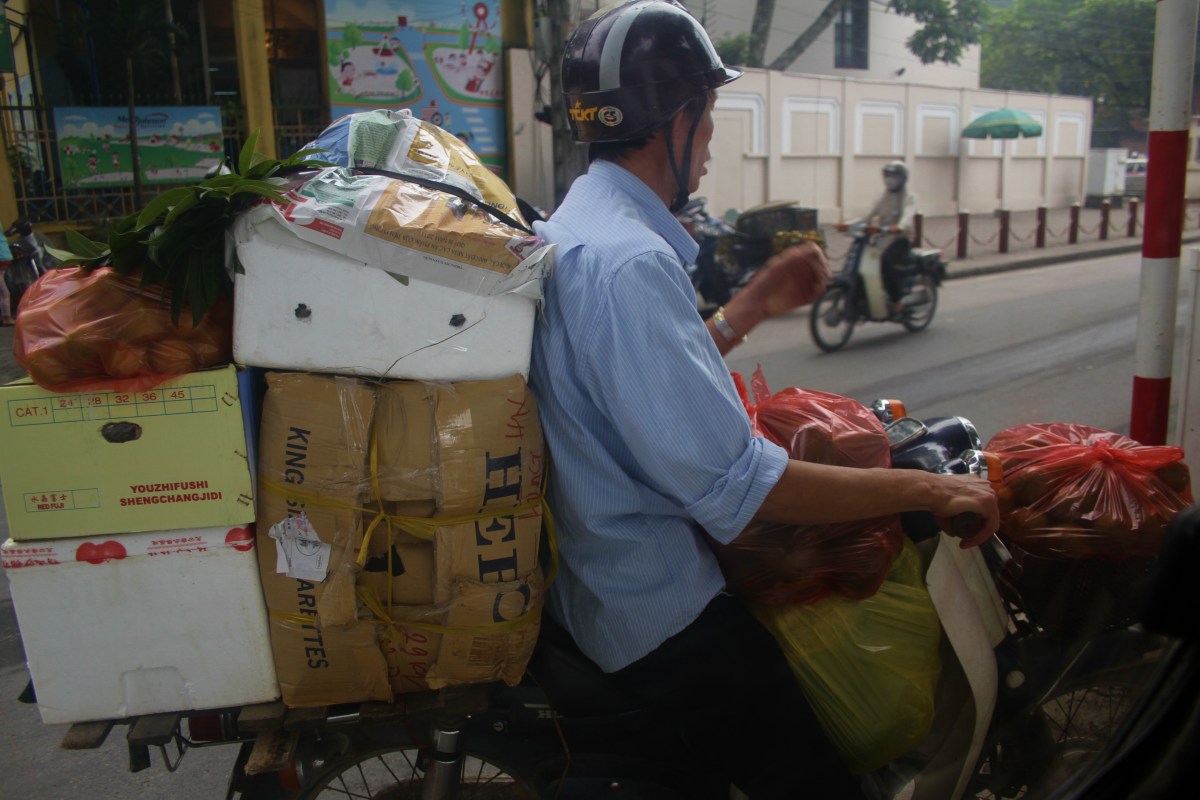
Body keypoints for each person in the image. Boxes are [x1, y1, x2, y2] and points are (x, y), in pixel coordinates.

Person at [527, 2, 999, 796]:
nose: (710, 145)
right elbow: (746, 493)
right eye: (708, 119)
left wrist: (752, 305)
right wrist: (930, 487)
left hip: (597, 592)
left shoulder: (576, 227)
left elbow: (636, 389)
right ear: (676, 120)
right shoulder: (631, 263)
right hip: (662, 616)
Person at [838, 160, 917, 314]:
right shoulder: (882, 197)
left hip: (900, 240)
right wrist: (848, 225)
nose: (889, 178)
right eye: (887, 175)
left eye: (893, 175)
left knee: (885, 262)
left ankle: (897, 300)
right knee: (863, 261)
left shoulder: (909, 197)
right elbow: (867, 216)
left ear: (902, 178)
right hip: (882, 238)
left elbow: (907, 216)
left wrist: (899, 227)